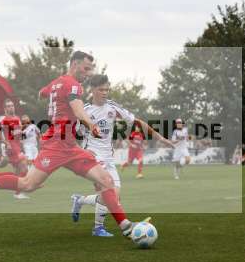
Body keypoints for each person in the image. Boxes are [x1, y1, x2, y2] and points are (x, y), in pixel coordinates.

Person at [0, 51, 144, 239]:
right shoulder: (73, 85)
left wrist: (50, 97)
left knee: (106, 180)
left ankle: (126, 227)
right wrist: (90, 124)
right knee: (27, 184)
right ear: (74, 64)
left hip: (71, 147)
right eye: (86, 68)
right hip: (56, 144)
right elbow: (79, 110)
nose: (88, 73)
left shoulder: (57, 82)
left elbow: (42, 92)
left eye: (90, 69)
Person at [70, 74, 173, 237]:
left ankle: (80, 200)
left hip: (108, 158)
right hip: (93, 157)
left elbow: (137, 122)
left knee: (114, 196)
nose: (105, 92)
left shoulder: (112, 107)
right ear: (93, 90)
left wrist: (160, 137)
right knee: (108, 192)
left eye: (107, 89)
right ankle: (99, 228)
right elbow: (74, 134)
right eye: (101, 89)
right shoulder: (85, 111)